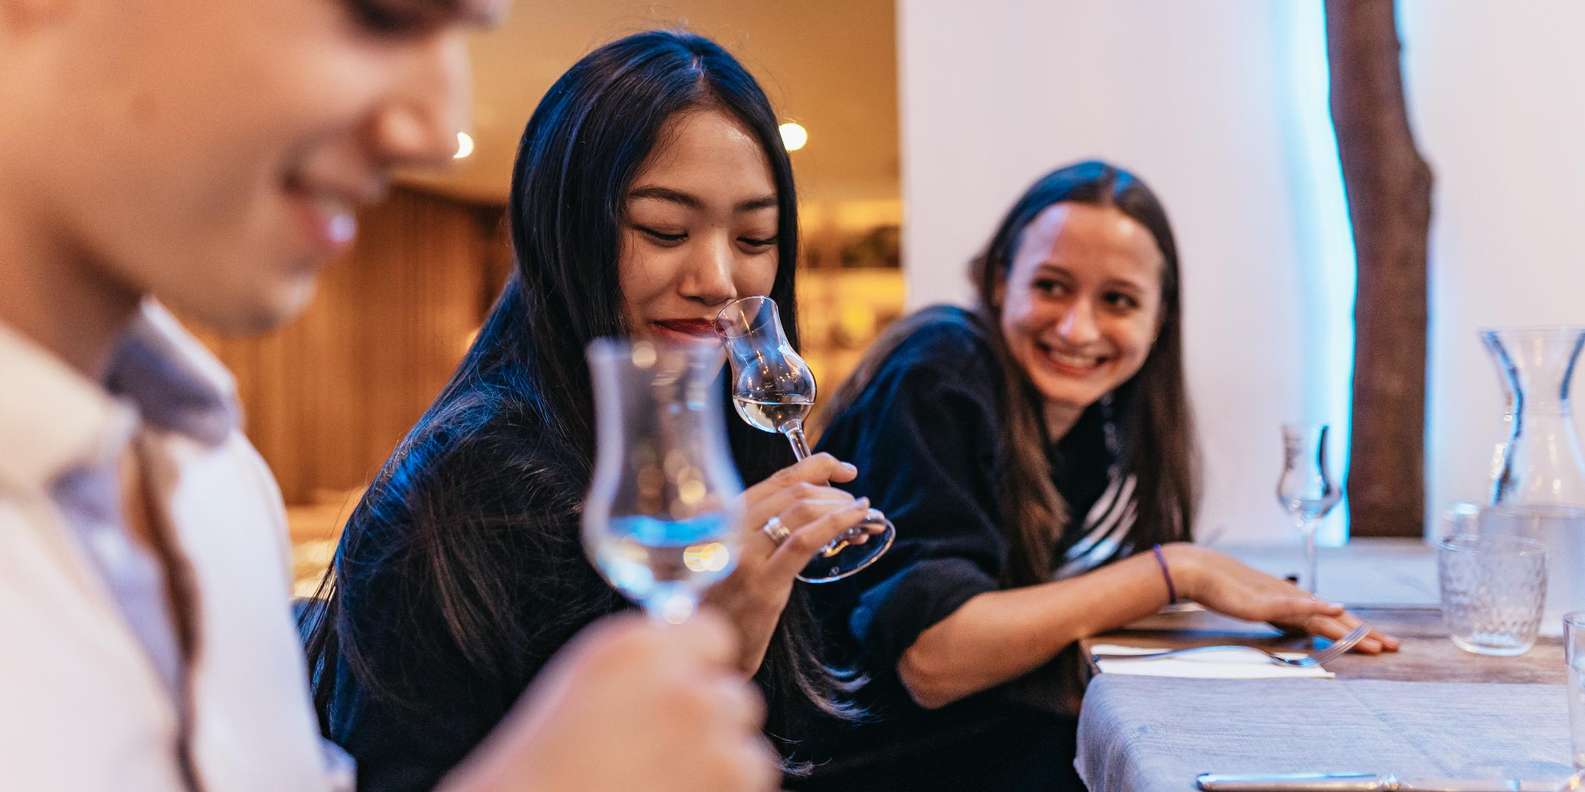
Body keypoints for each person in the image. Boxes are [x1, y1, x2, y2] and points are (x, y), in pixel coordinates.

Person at [0, 2, 777, 790]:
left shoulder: (216, 485)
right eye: (377, 14)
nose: (438, 132)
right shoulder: (459, 489)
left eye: (753, 238)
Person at [307, 29, 878, 791]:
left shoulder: (723, 446)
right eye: (664, 231)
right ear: (562, 231)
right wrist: (702, 645)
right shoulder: (467, 494)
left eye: (753, 238)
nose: (717, 279)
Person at [800, 160, 1400, 790]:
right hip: (865, 764)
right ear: (1001, 281)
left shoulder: (1090, 423)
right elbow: (934, 660)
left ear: (1158, 318)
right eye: (1052, 286)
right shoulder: (938, 371)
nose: (1077, 328)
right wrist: (1177, 571)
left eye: (1117, 300)